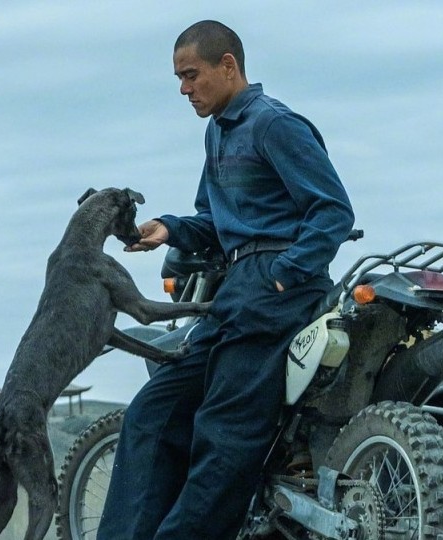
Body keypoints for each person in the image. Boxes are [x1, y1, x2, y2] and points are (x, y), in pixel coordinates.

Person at [96, 20, 355, 539]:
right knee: (153, 410)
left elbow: (333, 211)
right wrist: (168, 229)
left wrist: (285, 274)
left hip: (278, 290)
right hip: (234, 288)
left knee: (223, 430)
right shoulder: (217, 131)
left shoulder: (274, 124)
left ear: (228, 66)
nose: (183, 89)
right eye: (179, 78)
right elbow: (213, 222)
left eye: (191, 75)